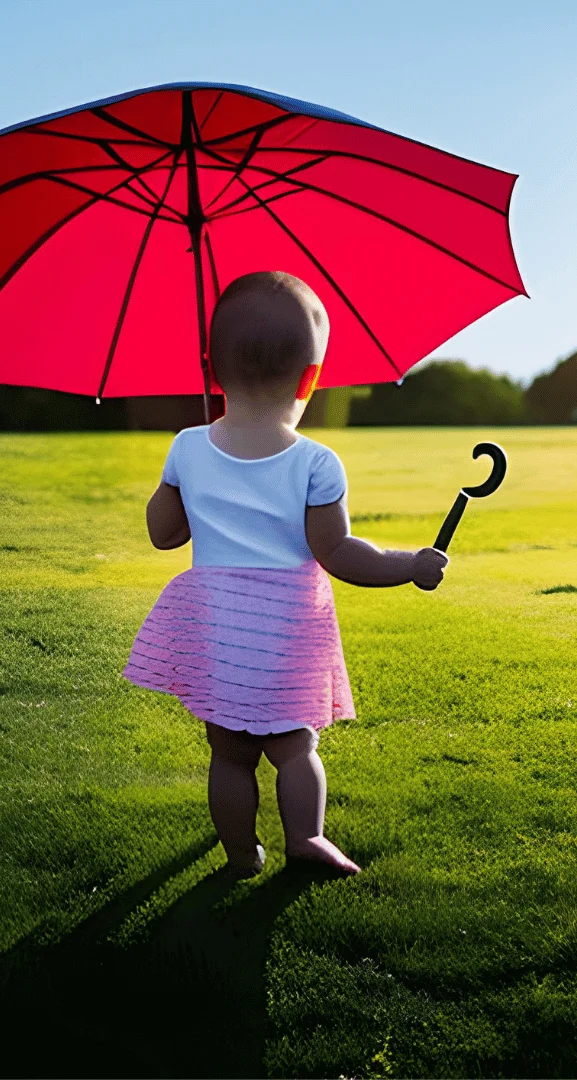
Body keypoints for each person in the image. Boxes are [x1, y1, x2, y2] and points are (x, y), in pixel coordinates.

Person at [124, 271, 448, 877]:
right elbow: (340, 553)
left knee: (229, 753)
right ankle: (307, 838)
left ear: (209, 369)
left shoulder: (188, 447)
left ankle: (241, 854)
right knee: (295, 747)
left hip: (217, 622)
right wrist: (409, 566)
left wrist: (179, 471)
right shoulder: (315, 462)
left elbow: (163, 533)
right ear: (311, 377)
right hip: (286, 624)